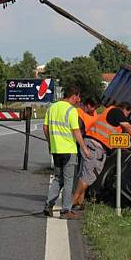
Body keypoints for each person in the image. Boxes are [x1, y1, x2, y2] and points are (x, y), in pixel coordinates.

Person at [71, 101, 131, 209]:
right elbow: (128, 126)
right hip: (95, 147)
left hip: (91, 144)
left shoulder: (110, 111)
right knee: (88, 176)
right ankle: (72, 202)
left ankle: (80, 202)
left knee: (85, 174)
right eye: (126, 114)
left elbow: (112, 136)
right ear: (124, 109)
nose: (125, 117)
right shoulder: (116, 111)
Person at [43, 85, 89, 220]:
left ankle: (48, 205)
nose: (79, 100)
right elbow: (76, 131)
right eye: (78, 97)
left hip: (56, 150)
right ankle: (66, 211)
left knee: (58, 178)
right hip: (69, 151)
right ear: (73, 95)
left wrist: (50, 143)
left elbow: (45, 128)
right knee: (69, 181)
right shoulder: (71, 110)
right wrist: (85, 148)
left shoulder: (52, 107)